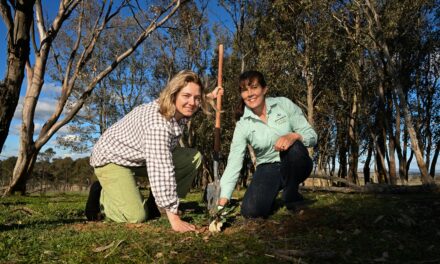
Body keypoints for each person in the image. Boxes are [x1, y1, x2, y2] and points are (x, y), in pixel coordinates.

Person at [85, 70, 222, 232]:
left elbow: (191, 101)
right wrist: (175, 219)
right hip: (110, 159)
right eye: (186, 96)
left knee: (193, 157)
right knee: (136, 216)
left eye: (197, 97)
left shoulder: (178, 107)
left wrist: (209, 96)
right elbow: (161, 169)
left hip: (137, 157)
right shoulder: (159, 125)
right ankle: (102, 195)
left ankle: (156, 205)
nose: (192, 102)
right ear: (173, 94)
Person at [218, 70, 317, 218]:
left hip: (295, 161)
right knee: (251, 212)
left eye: (254, 87)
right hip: (268, 167)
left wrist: (294, 136)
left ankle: (291, 196)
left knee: (295, 147)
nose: (250, 93)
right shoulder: (243, 124)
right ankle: (271, 192)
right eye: (245, 90)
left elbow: (312, 136)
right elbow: (234, 162)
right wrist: (223, 200)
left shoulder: (283, 104)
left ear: (265, 89)